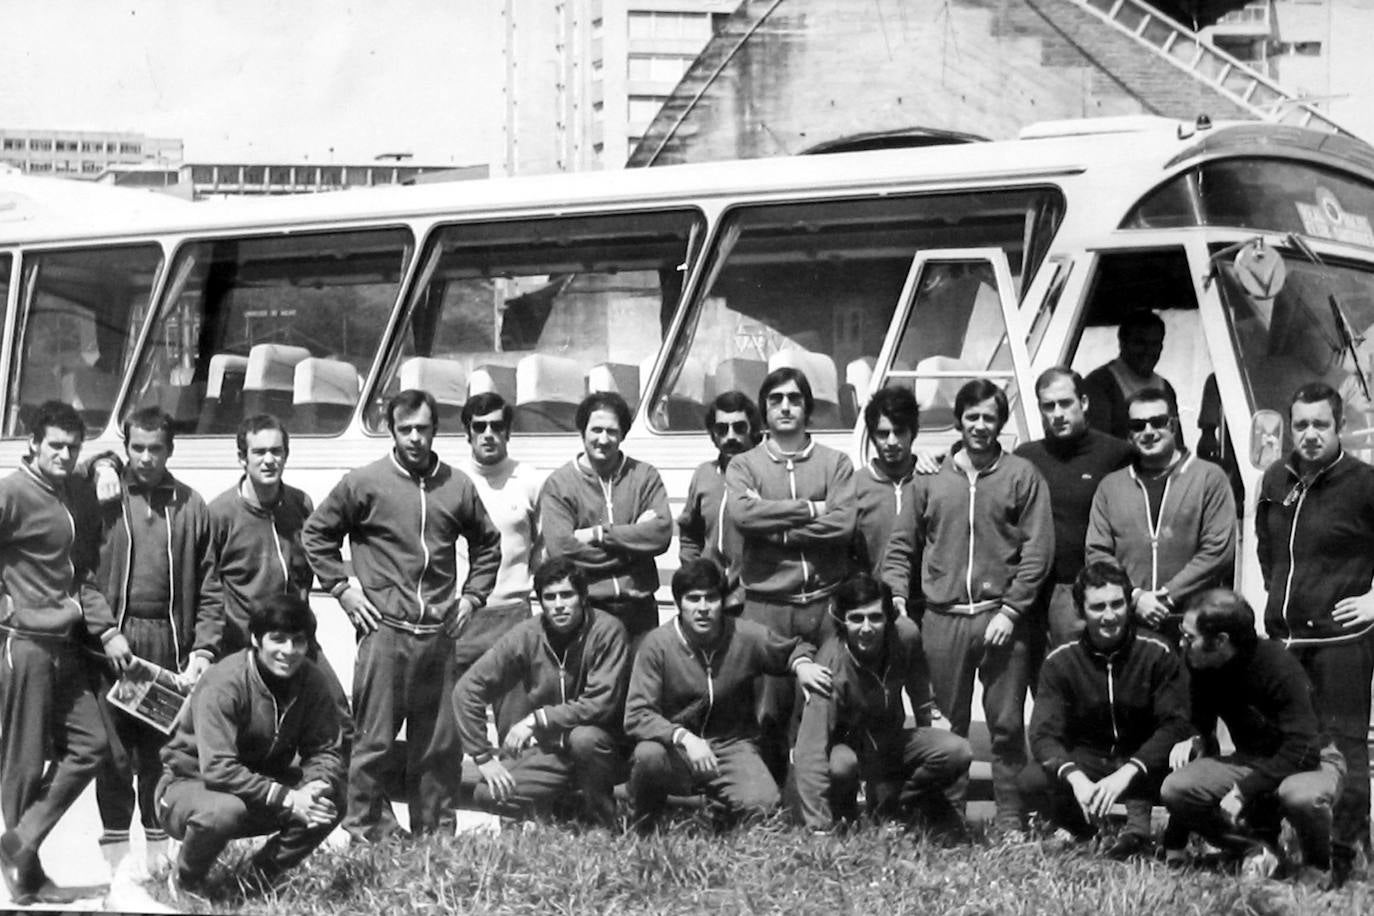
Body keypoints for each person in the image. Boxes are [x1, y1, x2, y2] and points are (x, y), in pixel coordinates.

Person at [303, 388, 501, 842]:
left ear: (436, 431)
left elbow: (488, 544)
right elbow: (316, 534)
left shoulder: (458, 485)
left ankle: (435, 838)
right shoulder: (365, 482)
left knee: (438, 746)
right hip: (385, 633)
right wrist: (343, 590)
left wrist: (472, 597)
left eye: (423, 429)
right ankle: (371, 834)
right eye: (405, 429)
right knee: (373, 742)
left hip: (438, 635)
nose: (415, 438)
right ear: (391, 431)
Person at [883, 378, 1053, 834]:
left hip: (1001, 619)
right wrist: (897, 596)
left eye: (990, 418)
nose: (980, 426)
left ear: (1001, 423)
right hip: (944, 619)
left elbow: (1038, 550)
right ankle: (948, 821)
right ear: (959, 420)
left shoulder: (1021, 476)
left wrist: (1012, 611)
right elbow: (902, 545)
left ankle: (1011, 823)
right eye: (972, 417)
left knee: (1005, 726)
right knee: (947, 727)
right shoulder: (931, 480)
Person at [0, 400, 132, 906]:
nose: (63, 453)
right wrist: (7, 606)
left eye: (71, 447)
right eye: (54, 444)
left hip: (67, 646)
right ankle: (27, 874)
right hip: (27, 645)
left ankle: (19, 841)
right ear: (32, 444)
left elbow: (107, 450)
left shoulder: (71, 489)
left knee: (92, 745)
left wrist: (102, 462)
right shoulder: (12, 493)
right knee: (25, 762)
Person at [90, 408, 219, 901]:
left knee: (161, 756)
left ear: (170, 449)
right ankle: (118, 871)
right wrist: (105, 631)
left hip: (165, 647)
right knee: (116, 757)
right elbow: (80, 570)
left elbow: (211, 585)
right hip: (117, 647)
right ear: (125, 446)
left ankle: (161, 865)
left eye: (156, 448)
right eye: (136, 447)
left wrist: (203, 648)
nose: (145, 457)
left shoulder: (189, 505)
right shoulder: (105, 493)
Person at [1255, 382, 1374, 883]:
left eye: (1320, 424)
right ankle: (1283, 849)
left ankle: (1345, 856)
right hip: (1285, 645)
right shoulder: (1275, 479)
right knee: (1283, 747)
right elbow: (1266, 549)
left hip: (1339, 645)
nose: (1308, 434)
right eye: (1300, 424)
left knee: (1345, 749)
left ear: (1340, 426)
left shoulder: (1365, 483)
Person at [156, 594, 346, 902]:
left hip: (258, 790)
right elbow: (218, 769)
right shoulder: (225, 682)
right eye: (278, 639)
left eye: (298, 641)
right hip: (191, 786)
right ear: (256, 639)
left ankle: (255, 879)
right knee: (224, 810)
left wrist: (317, 784)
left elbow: (325, 749)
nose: (288, 651)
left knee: (331, 800)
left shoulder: (311, 680)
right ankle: (186, 880)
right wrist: (288, 798)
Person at [624, 558, 831, 831]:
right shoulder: (657, 645)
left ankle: (721, 814)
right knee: (648, 756)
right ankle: (643, 824)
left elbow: (790, 649)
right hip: (674, 749)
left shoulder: (743, 634)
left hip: (730, 745)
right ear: (679, 604)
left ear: (723, 602)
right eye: (693, 599)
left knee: (763, 805)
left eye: (711, 599)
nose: (702, 609)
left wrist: (802, 665)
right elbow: (637, 714)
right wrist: (684, 738)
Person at [1162, 589, 1344, 883]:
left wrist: (1242, 791)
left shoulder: (1278, 666)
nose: (1182, 643)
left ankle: (1317, 867)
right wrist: (1175, 840)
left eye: (1189, 637)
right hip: (1254, 758)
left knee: (1300, 797)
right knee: (1176, 788)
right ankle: (1253, 849)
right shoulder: (1202, 665)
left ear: (1220, 641)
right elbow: (1204, 736)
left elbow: (1304, 747)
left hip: (1311, 759)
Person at [725, 367, 856, 777]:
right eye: (776, 399)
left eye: (794, 399)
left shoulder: (835, 463)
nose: (785, 406)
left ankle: (819, 798)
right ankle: (771, 802)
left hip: (823, 603)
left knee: (824, 705)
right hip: (768, 603)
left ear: (807, 408)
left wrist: (777, 532)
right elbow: (744, 515)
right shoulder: (744, 465)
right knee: (769, 711)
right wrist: (813, 510)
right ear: (764, 409)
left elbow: (843, 524)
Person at [1019, 560, 1191, 859]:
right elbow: (1042, 735)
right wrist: (1076, 778)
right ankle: (1082, 832)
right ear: (1079, 611)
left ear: (1129, 605)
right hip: (1092, 759)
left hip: (1146, 759)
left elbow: (1175, 724)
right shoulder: (1060, 660)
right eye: (1098, 607)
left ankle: (1152, 836)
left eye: (1117, 604)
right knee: (1032, 779)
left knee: (1183, 760)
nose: (1109, 616)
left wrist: (1128, 771)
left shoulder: (1158, 651)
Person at [453, 558, 629, 828]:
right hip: (552, 751)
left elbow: (600, 703)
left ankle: (604, 825)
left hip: (605, 750)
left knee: (584, 738)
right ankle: (557, 814)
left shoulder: (607, 631)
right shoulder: (527, 634)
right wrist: (482, 757)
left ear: (583, 597)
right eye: (550, 597)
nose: (558, 605)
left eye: (567, 595)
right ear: (541, 602)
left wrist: (537, 720)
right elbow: (467, 689)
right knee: (486, 793)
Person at [791, 573, 971, 835]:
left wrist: (930, 717)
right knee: (841, 764)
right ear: (842, 620)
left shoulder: (905, 636)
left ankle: (896, 805)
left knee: (956, 749)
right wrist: (818, 827)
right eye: (856, 618)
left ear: (888, 618)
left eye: (875, 617)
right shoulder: (829, 667)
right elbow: (810, 751)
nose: (866, 628)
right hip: (844, 749)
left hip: (888, 741)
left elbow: (920, 690)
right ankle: (844, 813)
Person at [206, 414, 351, 718]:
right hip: (247, 646)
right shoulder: (219, 515)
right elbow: (207, 588)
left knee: (338, 716)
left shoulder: (300, 505)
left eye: (277, 451)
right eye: (259, 452)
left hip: (298, 640)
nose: (269, 460)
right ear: (241, 458)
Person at [1086, 388, 1235, 637]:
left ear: (1173, 426)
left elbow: (1217, 551)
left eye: (1158, 422)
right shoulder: (1111, 487)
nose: (1149, 431)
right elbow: (1097, 552)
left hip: (1193, 624)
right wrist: (1135, 597)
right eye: (1138, 425)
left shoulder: (1208, 478)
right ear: (1129, 434)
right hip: (1129, 623)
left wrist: (1166, 597)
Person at [539, 391, 671, 643]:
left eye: (612, 431)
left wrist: (597, 535)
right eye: (596, 430)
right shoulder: (559, 484)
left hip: (640, 611)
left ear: (623, 434)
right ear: (582, 432)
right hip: (590, 612)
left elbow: (661, 534)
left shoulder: (644, 476)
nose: (603, 439)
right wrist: (634, 549)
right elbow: (561, 551)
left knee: (642, 682)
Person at [1014, 367, 1132, 648]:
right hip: (1033, 593)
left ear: (1084, 402)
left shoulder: (1117, 454)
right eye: (1049, 405)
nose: (1057, 413)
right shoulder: (1025, 458)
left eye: (1065, 403)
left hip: (1087, 590)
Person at [677, 390, 762, 610]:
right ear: (713, 435)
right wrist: (695, 574)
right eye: (722, 429)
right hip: (711, 600)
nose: (731, 436)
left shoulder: (767, 475)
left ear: (753, 430)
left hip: (753, 599)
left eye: (739, 428)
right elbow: (689, 533)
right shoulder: (704, 475)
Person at [851, 386, 921, 582]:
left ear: (913, 432)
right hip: (878, 602)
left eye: (899, 432)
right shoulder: (855, 486)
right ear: (872, 436)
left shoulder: (930, 481)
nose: (891, 441)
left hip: (928, 602)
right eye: (883, 433)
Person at [1082, 309, 1178, 440]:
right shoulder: (1100, 384)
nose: (1148, 351)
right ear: (1122, 343)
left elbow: (1176, 441)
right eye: (1140, 343)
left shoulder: (1165, 387)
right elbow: (1099, 445)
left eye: (1154, 344)